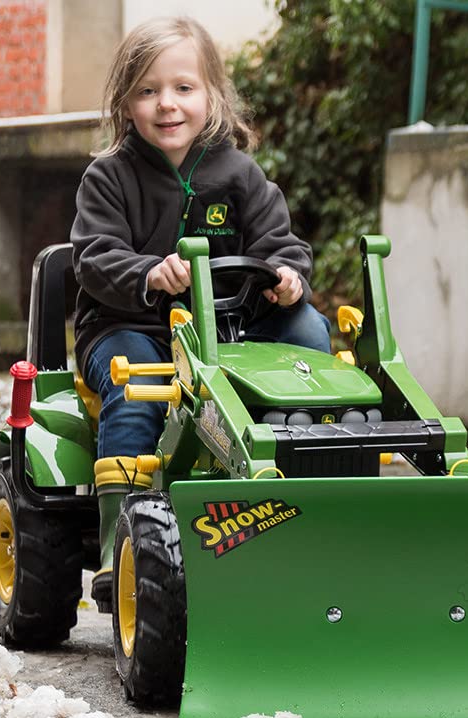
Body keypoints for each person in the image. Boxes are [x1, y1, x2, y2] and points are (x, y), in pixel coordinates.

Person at [70, 16, 331, 607]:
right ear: (125, 102)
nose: (168, 104)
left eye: (184, 88)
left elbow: (280, 245)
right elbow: (93, 257)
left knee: (309, 330)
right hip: (133, 328)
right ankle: (122, 538)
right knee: (137, 385)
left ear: (212, 94)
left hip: (232, 328)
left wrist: (290, 279)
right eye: (148, 90)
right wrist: (148, 273)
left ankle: (314, 467)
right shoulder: (107, 178)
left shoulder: (239, 172)